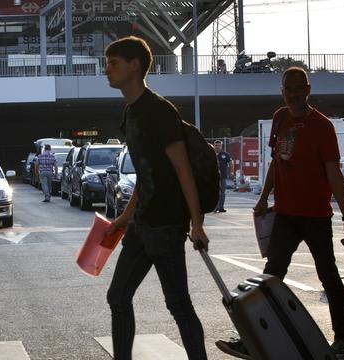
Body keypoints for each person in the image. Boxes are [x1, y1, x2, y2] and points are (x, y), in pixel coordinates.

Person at [217, 67, 344, 358]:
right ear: (282, 92)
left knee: (328, 276)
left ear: (308, 90)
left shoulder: (322, 127)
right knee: (271, 277)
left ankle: (343, 338)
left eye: (298, 88)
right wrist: (264, 196)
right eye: (288, 89)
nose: (293, 94)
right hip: (285, 215)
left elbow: (334, 174)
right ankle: (252, 338)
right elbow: (275, 163)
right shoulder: (280, 118)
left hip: (316, 216)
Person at [104, 36, 209, 360]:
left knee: (177, 303)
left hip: (165, 225)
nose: (106, 70)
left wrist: (197, 223)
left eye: (113, 63)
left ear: (134, 66)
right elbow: (146, 172)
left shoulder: (160, 111)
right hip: (141, 224)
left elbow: (182, 170)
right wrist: (125, 217)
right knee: (118, 296)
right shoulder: (130, 114)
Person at [214, 140, 234, 213]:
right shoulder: (211, 154)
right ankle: (215, 207)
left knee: (222, 192)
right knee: (215, 192)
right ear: (214, 146)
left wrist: (231, 172)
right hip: (213, 178)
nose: (217, 147)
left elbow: (231, 162)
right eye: (216, 145)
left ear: (221, 146)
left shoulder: (225, 154)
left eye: (219, 145)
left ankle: (221, 207)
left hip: (222, 177)